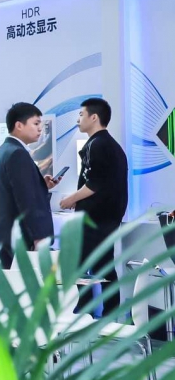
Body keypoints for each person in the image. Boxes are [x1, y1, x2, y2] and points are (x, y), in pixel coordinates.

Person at [59, 98, 128, 317]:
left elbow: (96, 182)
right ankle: (101, 313)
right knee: (101, 266)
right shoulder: (105, 144)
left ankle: (90, 312)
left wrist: (72, 198)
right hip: (104, 219)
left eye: (81, 114)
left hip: (97, 220)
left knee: (88, 266)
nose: (78, 119)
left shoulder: (99, 145)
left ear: (94, 117)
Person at [0, 103, 63, 268]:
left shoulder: (3, 151)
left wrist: (41, 185)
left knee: (12, 280)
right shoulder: (17, 153)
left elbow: (14, 190)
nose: (40, 129)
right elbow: (26, 199)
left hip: (4, 231)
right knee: (24, 281)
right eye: (36, 123)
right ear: (19, 125)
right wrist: (38, 236)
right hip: (19, 234)